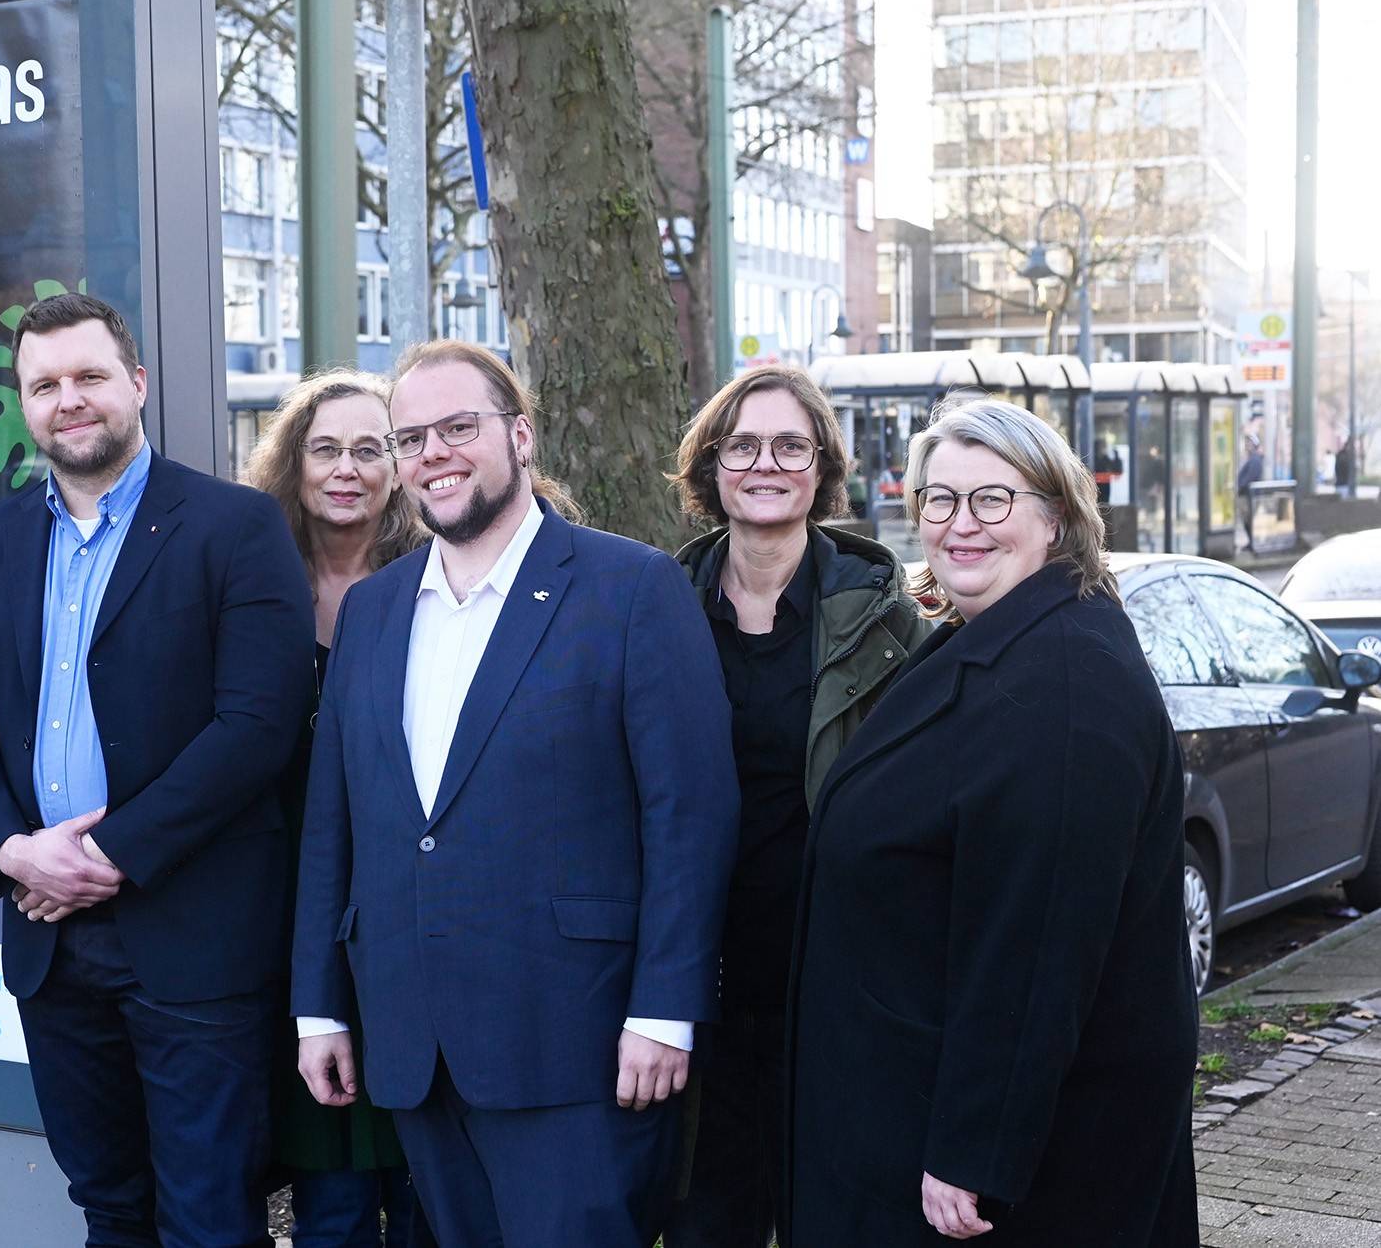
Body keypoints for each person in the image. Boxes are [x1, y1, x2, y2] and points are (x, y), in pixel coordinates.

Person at [292, 339, 739, 1246]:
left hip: (577, 1042)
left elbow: (688, 818)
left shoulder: (631, 589)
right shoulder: (373, 612)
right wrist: (318, 1004)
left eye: (459, 427)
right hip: (412, 1041)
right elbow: (333, 824)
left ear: (521, 436)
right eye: (410, 437)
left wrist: (666, 1011)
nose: (434, 453)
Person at [0, 293, 313, 1247]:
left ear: (135, 384)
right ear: (25, 405)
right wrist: (16, 854)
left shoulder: (236, 527)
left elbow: (258, 726)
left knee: (209, 1217)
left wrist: (106, 854)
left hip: (193, 934)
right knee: (108, 1209)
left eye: (89, 376)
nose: (70, 400)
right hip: (50, 945)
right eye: (44, 384)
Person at [786, 392, 1199, 1246]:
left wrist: (978, 1147)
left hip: (1000, 1163)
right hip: (909, 1097)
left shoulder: (1064, 681)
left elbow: (1040, 936)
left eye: (991, 499)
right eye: (938, 499)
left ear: (1055, 517)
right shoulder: (995, 639)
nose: (958, 524)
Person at [660, 366, 927, 1248]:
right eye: (741, 445)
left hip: (835, 988)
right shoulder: (655, 610)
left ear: (820, 468)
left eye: (789, 445)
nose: (764, 463)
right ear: (711, 468)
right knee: (708, 1223)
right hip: (694, 991)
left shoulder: (885, 622)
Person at [241, 370, 433, 1247]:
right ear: (294, 463)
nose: (347, 469)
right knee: (332, 1196)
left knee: (427, 1175)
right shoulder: (249, 583)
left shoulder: (433, 586)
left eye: (370, 448)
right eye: (325, 449)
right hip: (286, 909)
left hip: (406, 906)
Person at [1236, 434, 1263, 552]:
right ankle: (1251, 543)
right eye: (1246, 442)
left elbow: (1251, 477)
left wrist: (1241, 486)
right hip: (1246, 495)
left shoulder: (1255, 459)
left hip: (1248, 496)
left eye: (1249, 443)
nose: (1247, 445)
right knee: (1246, 520)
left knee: (1249, 520)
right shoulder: (1250, 458)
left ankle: (1252, 544)